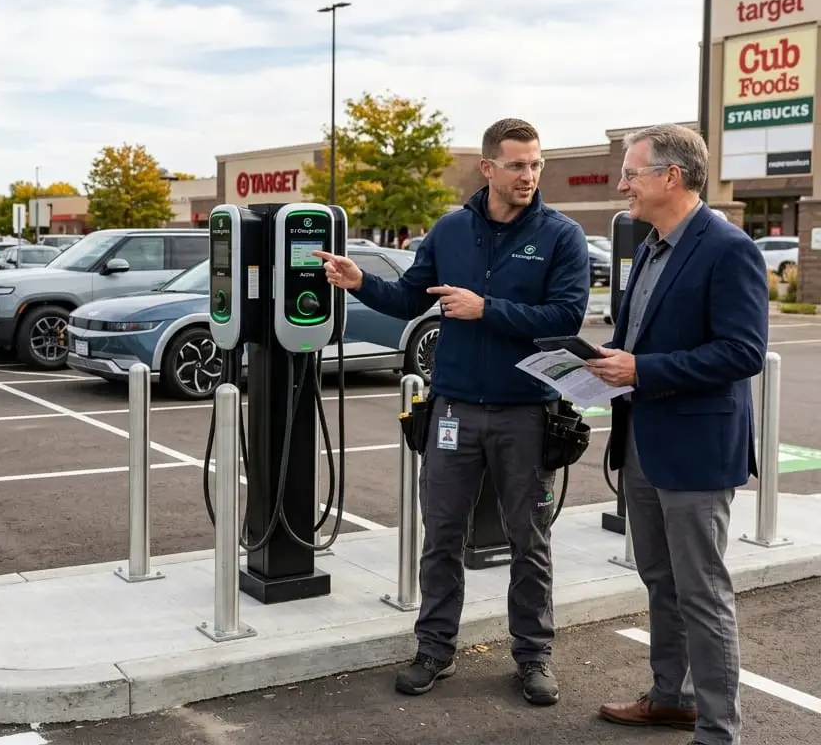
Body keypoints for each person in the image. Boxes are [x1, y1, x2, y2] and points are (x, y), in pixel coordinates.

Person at [314, 118, 590, 706]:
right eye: (517, 164)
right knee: (440, 535)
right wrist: (361, 281)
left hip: (526, 412)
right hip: (453, 410)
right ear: (487, 168)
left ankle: (533, 656)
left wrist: (485, 308)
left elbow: (565, 318)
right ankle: (434, 649)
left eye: (535, 164)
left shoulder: (561, 235)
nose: (529, 175)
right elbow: (413, 297)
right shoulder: (450, 230)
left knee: (530, 541)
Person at [587, 124, 767, 745]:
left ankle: (719, 730)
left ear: (672, 176)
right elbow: (646, 338)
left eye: (632, 173)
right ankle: (672, 698)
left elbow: (742, 351)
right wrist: (608, 360)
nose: (622, 185)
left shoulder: (728, 247)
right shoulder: (651, 245)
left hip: (694, 451)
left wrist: (642, 368)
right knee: (660, 580)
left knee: (703, 593)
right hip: (642, 439)